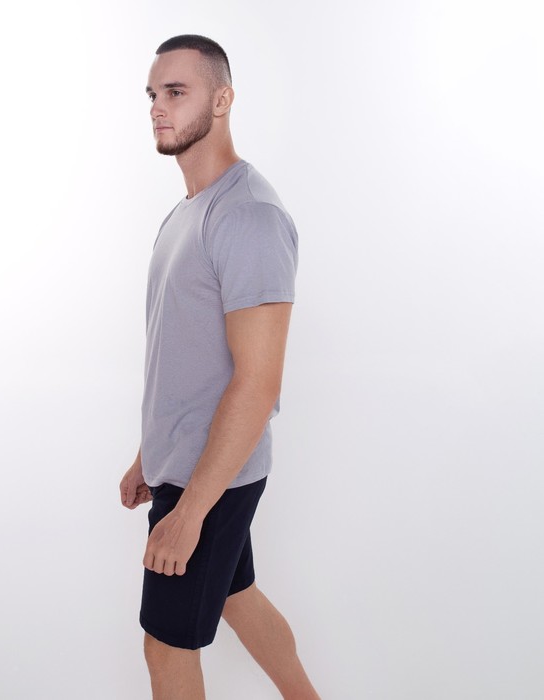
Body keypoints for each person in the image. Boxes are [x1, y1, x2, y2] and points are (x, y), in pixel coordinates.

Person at [119, 35, 322, 700]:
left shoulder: (248, 216)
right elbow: (183, 355)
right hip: (185, 464)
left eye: (177, 91)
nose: (158, 106)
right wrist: (150, 454)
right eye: (153, 94)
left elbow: (258, 383)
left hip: (212, 478)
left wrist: (190, 512)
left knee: (165, 646)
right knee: (239, 596)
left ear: (223, 99)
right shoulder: (188, 212)